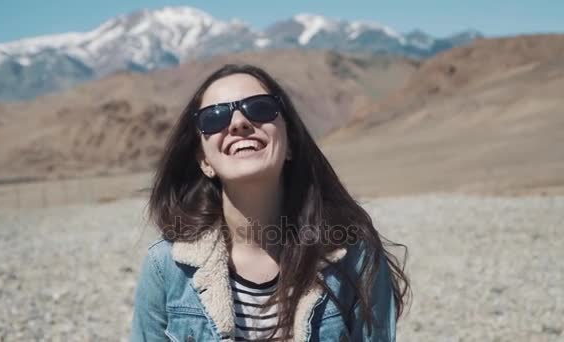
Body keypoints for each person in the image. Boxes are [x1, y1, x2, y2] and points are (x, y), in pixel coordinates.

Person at [130, 64, 409, 341]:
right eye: (214, 117)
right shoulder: (166, 267)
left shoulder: (355, 257)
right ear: (204, 161)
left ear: (289, 144)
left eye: (260, 108)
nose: (238, 122)